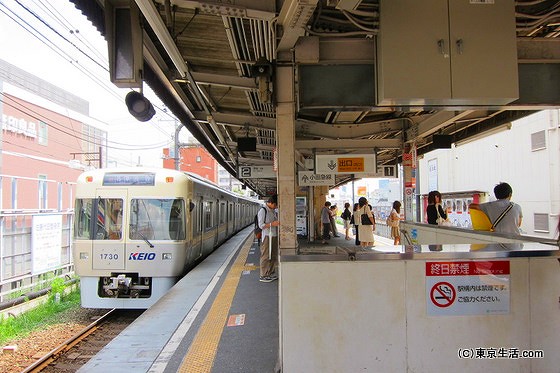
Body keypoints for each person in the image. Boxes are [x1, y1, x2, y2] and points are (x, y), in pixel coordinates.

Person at [257, 194, 279, 282]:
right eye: (275, 205)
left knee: (273, 255)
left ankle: (270, 273)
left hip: (274, 235)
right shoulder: (263, 211)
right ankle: (263, 275)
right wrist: (272, 224)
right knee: (265, 255)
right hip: (266, 236)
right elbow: (261, 225)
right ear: (271, 203)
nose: (276, 206)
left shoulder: (273, 211)